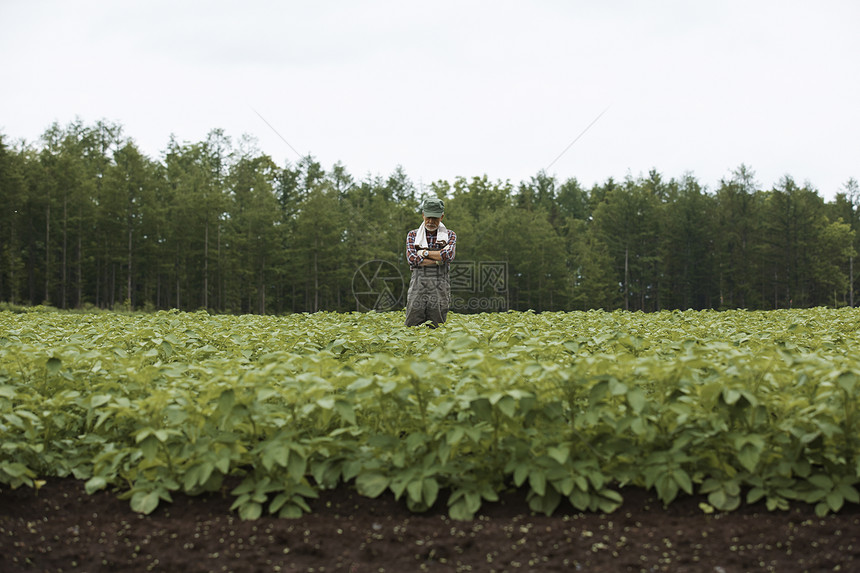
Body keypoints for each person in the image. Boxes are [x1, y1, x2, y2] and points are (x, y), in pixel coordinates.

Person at [405, 198, 457, 327]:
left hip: (440, 285)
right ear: (423, 215)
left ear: (442, 217)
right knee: (413, 320)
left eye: (435, 218)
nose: (431, 221)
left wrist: (423, 253)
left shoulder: (450, 235)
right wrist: (438, 259)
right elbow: (412, 259)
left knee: (437, 323)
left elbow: (448, 255)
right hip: (418, 284)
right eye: (428, 217)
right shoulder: (413, 235)